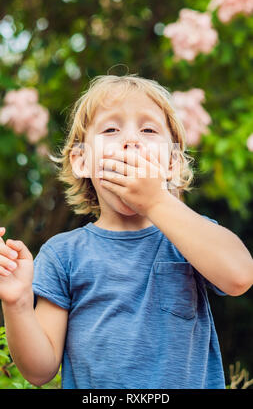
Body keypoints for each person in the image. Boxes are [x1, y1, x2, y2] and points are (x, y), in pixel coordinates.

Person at [0, 74, 253, 389]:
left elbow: (240, 276)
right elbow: (39, 371)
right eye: (110, 129)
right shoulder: (62, 254)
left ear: (172, 163)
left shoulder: (190, 238)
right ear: (81, 161)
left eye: (148, 130)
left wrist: (156, 200)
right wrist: (17, 303)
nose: (131, 140)